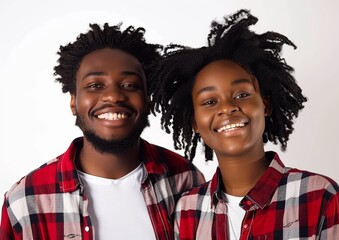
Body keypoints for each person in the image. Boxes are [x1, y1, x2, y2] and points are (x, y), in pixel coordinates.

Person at [149, 9, 339, 239]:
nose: (227, 107)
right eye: (209, 101)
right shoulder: (187, 210)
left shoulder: (319, 195)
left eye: (241, 95)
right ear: (195, 123)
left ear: (265, 105)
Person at [0, 23, 205, 240]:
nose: (113, 96)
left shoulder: (185, 180)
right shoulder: (26, 199)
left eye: (129, 84)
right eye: (95, 85)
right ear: (73, 102)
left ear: (147, 100)